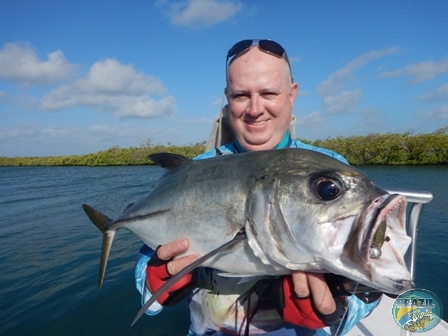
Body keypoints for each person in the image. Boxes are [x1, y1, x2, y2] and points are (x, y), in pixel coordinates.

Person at [135, 39, 380, 335]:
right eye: (241, 95)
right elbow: (149, 266)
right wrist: (154, 280)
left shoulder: (329, 170)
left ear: (292, 95)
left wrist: (337, 309)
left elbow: (370, 281)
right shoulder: (194, 169)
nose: (254, 109)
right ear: (227, 98)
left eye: (268, 93)